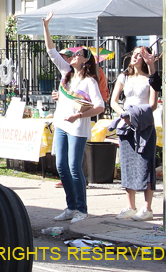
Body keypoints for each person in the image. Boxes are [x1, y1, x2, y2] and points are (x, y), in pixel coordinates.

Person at [42, 12, 105, 223]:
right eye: (73, 54)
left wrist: (79, 115)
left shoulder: (90, 82)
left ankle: (81, 209)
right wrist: (46, 27)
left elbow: (100, 106)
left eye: (78, 54)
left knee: (74, 167)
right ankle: (70, 207)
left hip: (77, 127)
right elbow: (51, 52)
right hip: (61, 124)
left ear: (86, 59)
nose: (73, 56)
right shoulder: (66, 73)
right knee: (61, 166)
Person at [109, 46, 158, 221]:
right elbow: (113, 101)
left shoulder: (150, 78)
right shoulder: (124, 77)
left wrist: (135, 115)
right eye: (134, 54)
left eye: (140, 55)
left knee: (146, 164)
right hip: (126, 123)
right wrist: (124, 114)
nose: (135, 57)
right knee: (128, 164)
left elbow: (153, 104)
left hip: (143, 124)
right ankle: (130, 205)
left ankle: (147, 208)